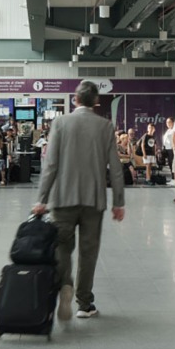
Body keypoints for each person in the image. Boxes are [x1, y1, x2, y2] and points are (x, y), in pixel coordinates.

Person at [33, 82, 126, 320]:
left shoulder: (61, 123)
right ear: (95, 102)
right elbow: (115, 168)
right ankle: (84, 303)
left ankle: (65, 285)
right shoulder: (105, 126)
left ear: (75, 99)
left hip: (63, 198)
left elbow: (51, 164)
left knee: (62, 248)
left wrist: (41, 199)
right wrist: (118, 202)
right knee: (89, 251)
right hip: (93, 200)